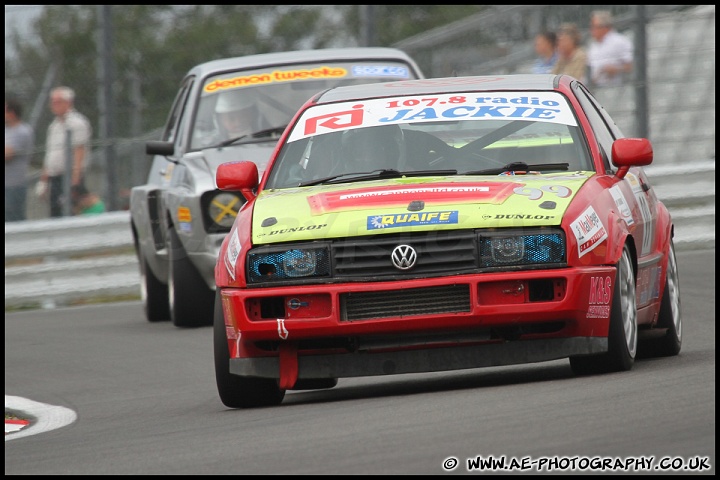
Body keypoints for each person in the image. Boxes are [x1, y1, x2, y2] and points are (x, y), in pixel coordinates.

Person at [37, 86, 93, 218]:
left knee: (70, 213)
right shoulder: (54, 125)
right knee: (55, 213)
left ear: (68, 102)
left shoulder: (77, 123)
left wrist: (75, 182)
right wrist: (43, 181)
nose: (54, 105)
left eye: (58, 102)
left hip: (69, 177)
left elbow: (79, 152)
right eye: (53, 102)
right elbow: (50, 154)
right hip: (55, 177)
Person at [5, 97, 34, 222]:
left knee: (14, 218)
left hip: (14, 185)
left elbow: (8, 155)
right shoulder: (7, 131)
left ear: (11, 112)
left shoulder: (23, 131)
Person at [587, 10, 634, 88]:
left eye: (594, 27)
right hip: (595, 88)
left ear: (604, 27)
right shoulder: (593, 46)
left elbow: (633, 66)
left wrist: (616, 69)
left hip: (615, 88)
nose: (592, 30)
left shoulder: (620, 41)